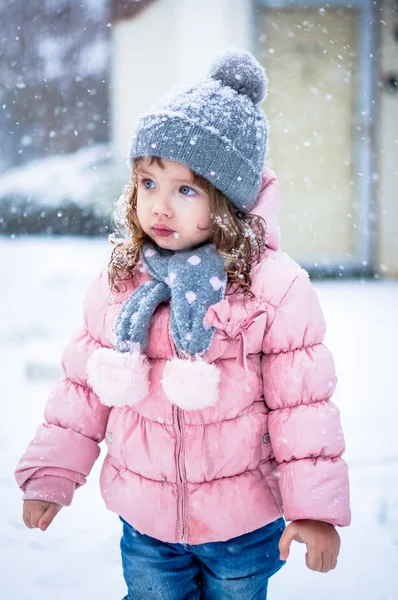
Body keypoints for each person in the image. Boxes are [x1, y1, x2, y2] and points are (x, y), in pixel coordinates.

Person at [15, 48, 351, 599]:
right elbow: (82, 390)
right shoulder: (124, 280)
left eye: (185, 189)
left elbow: (303, 407)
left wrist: (314, 510)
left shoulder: (271, 288)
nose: (160, 207)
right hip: (146, 521)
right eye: (148, 184)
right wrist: (54, 471)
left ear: (229, 201)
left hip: (245, 524)